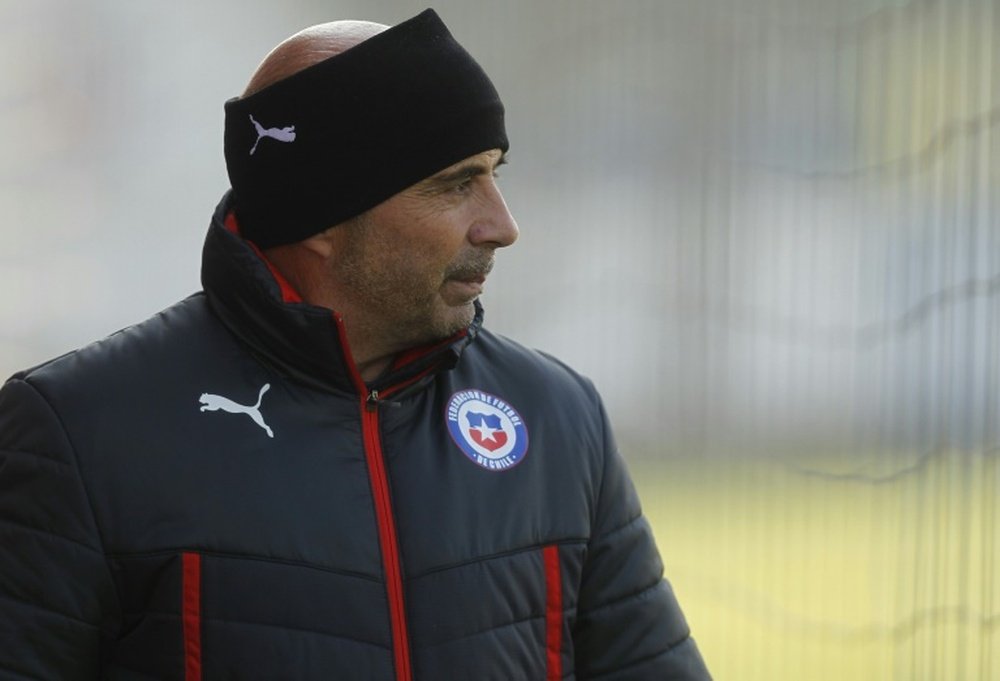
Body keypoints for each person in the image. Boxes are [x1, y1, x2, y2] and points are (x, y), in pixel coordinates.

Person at [0, 9, 710, 680]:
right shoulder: (79, 432)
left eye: (496, 172)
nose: (501, 223)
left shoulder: (559, 416)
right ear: (320, 216)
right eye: (456, 183)